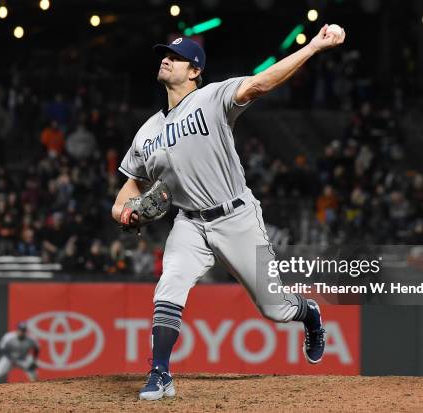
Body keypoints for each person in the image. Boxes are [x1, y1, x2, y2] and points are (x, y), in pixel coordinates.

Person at [111, 26, 346, 401]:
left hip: (236, 217)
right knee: (169, 284)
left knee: (275, 308)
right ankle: (160, 373)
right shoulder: (147, 132)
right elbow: (130, 184)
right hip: (189, 221)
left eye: (176, 57)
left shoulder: (213, 97)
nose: (166, 58)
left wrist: (314, 47)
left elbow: (261, 84)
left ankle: (309, 313)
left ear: (194, 71)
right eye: (164, 54)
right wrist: (123, 211)